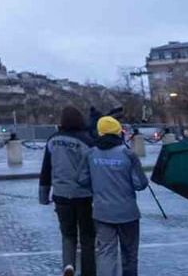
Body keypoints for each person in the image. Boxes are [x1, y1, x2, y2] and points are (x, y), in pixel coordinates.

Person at [78, 116, 148, 276]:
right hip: (128, 212)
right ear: (119, 132)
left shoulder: (91, 154)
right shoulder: (128, 154)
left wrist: (96, 186)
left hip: (102, 212)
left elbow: (81, 179)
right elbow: (140, 184)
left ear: (99, 133)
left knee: (105, 253)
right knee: (129, 255)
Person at [39, 106, 95, 276]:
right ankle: (88, 271)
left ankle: (68, 265)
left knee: (67, 235)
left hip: (61, 194)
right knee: (87, 237)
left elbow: (46, 170)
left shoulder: (53, 140)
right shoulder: (87, 141)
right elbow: (93, 169)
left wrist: (43, 195)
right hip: (83, 194)